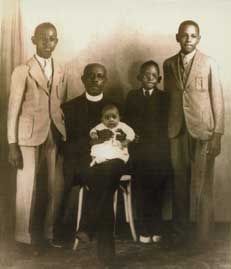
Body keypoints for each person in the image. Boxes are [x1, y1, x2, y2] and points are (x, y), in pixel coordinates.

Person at [163, 20, 224, 245]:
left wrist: (217, 133)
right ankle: (180, 235)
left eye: (193, 35)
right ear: (177, 37)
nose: (188, 39)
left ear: (199, 38)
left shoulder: (209, 63)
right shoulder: (168, 64)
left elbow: (217, 100)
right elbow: (168, 99)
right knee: (179, 183)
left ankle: (203, 237)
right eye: (184, 35)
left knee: (203, 185)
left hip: (203, 131)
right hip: (176, 131)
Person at [7, 22, 67, 252]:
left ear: (56, 42)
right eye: (42, 38)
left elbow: (60, 104)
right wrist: (12, 144)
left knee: (51, 187)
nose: (47, 43)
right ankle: (23, 238)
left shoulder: (60, 70)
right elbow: (13, 110)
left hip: (52, 134)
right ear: (33, 40)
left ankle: (47, 234)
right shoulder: (23, 70)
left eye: (52, 39)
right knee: (26, 188)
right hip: (27, 136)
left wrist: (62, 132)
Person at [61, 63, 123, 267]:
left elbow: (125, 136)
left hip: (112, 161)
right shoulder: (70, 108)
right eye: (91, 76)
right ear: (83, 79)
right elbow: (67, 147)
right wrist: (91, 141)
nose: (95, 80)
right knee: (104, 182)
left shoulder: (115, 106)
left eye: (100, 76)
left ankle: (87, 226)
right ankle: (106, 254)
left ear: (105, 80)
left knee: (108, 172)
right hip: (84, 164)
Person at [124, 60, 172, 245]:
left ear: (159, 78)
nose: (150, 78)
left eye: (154, 75)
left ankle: (157, 227)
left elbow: (168, 124)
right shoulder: (132, 96)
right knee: (142, 191)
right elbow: (127, 121)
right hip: (139, 153)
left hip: (159, 152)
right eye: (146, 75)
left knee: (158, 191)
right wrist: (132, 136)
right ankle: (144, 227)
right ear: (139, 78)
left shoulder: (164, 98)